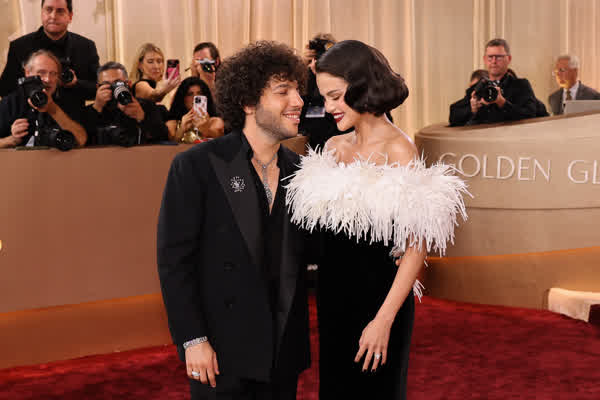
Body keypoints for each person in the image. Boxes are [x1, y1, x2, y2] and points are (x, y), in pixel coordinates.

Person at [285, 40, 468, 399]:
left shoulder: (398, 150)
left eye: (335, 96)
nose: (328, 107)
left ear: (361, 86)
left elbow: (416, 246)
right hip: (332, 297)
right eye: (324, 98)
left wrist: (383, 320)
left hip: (379, 300)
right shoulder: (333, 148)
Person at [157, 41, 310, 400]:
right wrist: (193, 339)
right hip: (220, 353)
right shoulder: (196, 166)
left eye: (298, 90)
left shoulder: (304, 173)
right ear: (248, 102)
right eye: (283, 91)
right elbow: (174, 261)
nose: (298, 101)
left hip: (282, 353)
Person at [0, 0, 100, 111]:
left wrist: (76, 83)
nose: (53, 16)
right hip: (30, 117)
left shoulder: (86, 47)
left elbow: (97, 90)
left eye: (60, 11)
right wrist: (31, 85)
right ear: (42, 13)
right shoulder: (19, 46)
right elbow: (5, 90)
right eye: (48, 10)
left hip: (72, 118)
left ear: (70, 16)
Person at [0, 49, 86, 148]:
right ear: (27, 73)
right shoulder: (11, 102)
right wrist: (12, 140)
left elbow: (81, 140)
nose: (48, 79)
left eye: (53, 73)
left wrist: (53, 109)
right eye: (41, 73)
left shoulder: (69, 100)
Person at [452, 38, 538, 125]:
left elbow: (530, 115)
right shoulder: (477, 87)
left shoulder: (521, 85)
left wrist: (502, 103)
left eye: (498, 57)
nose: (494, 61)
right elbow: (453, 115)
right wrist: (472, 109)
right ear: (484, 59)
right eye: (490, 57)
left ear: (509, 59)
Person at [81, 61, 168, 146]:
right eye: (106, 84)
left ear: (128, 84)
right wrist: (96, 108)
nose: (113, 88)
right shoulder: (88, 111)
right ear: (98, 87)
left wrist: (141, 117)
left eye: (117, 83)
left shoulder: (146, 106)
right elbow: (83, 141)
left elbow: (163, 137)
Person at [298, 33, 346, 149]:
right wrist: (305, 68)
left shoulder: (343, 77)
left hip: (338, 135)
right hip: (314, 140)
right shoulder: (306, 76)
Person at [166, 77, 224, 142]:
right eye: (190, 94)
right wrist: (181, 129)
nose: (195, 97)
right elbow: (168, 145)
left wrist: (206, 130)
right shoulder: (172, 124)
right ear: (182, 98)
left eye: (200, 93)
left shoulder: (215, 121)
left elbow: (219, 141)